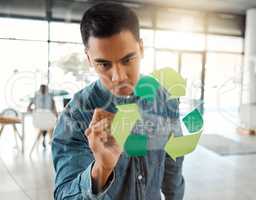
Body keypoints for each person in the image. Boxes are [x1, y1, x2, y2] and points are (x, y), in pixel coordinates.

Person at [52, 2, 184, 200]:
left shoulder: (163, 98)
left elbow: (174, 159)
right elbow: (64, 196)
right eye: (104, 64)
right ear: (89, 59)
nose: (118, 77)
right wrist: (101, 169)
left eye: (127, 60)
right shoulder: (76, 115)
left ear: (141, 48)